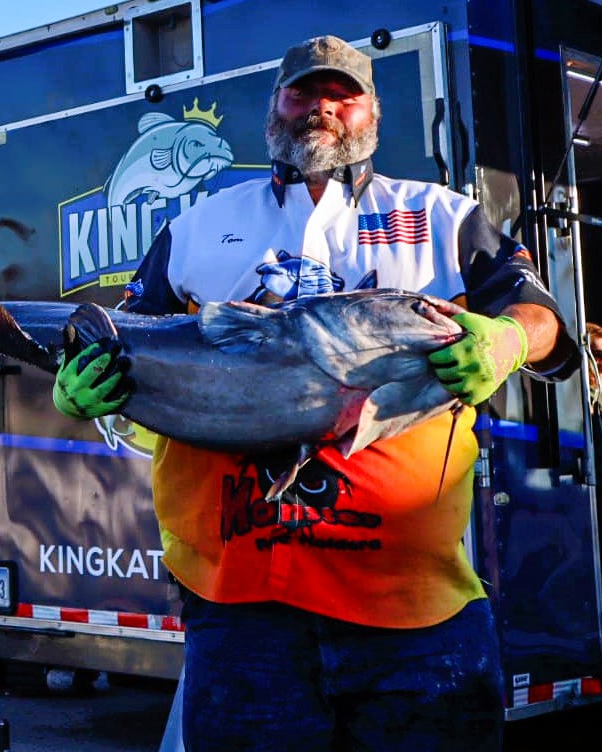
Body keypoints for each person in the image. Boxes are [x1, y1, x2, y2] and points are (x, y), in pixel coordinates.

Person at [53, 35, 579, 751]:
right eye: (303, 93)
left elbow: (539, 312)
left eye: (343, 95)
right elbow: (123, 333)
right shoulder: (198, 226)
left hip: (413, 616)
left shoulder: (442, 215)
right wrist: (91, 383)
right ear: (274, 105)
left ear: (372, 112)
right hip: (243, 612)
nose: (322, 109)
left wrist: (508, 340)